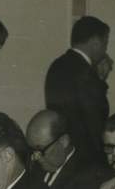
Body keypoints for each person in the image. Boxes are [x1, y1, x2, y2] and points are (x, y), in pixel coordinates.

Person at [26, 109, 114, 189]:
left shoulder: (90, 178)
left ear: (63, 141)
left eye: (40, 150)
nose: (35, 157)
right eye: (31, 150)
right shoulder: (34, 168)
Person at [45, 16, 111, 164]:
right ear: (95, 43)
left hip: (63, 152)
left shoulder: (57, 65)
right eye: (105, 44)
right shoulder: (86, 73)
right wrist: (101, 80)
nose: (105, 51)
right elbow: (95, 120)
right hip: (86, 158)